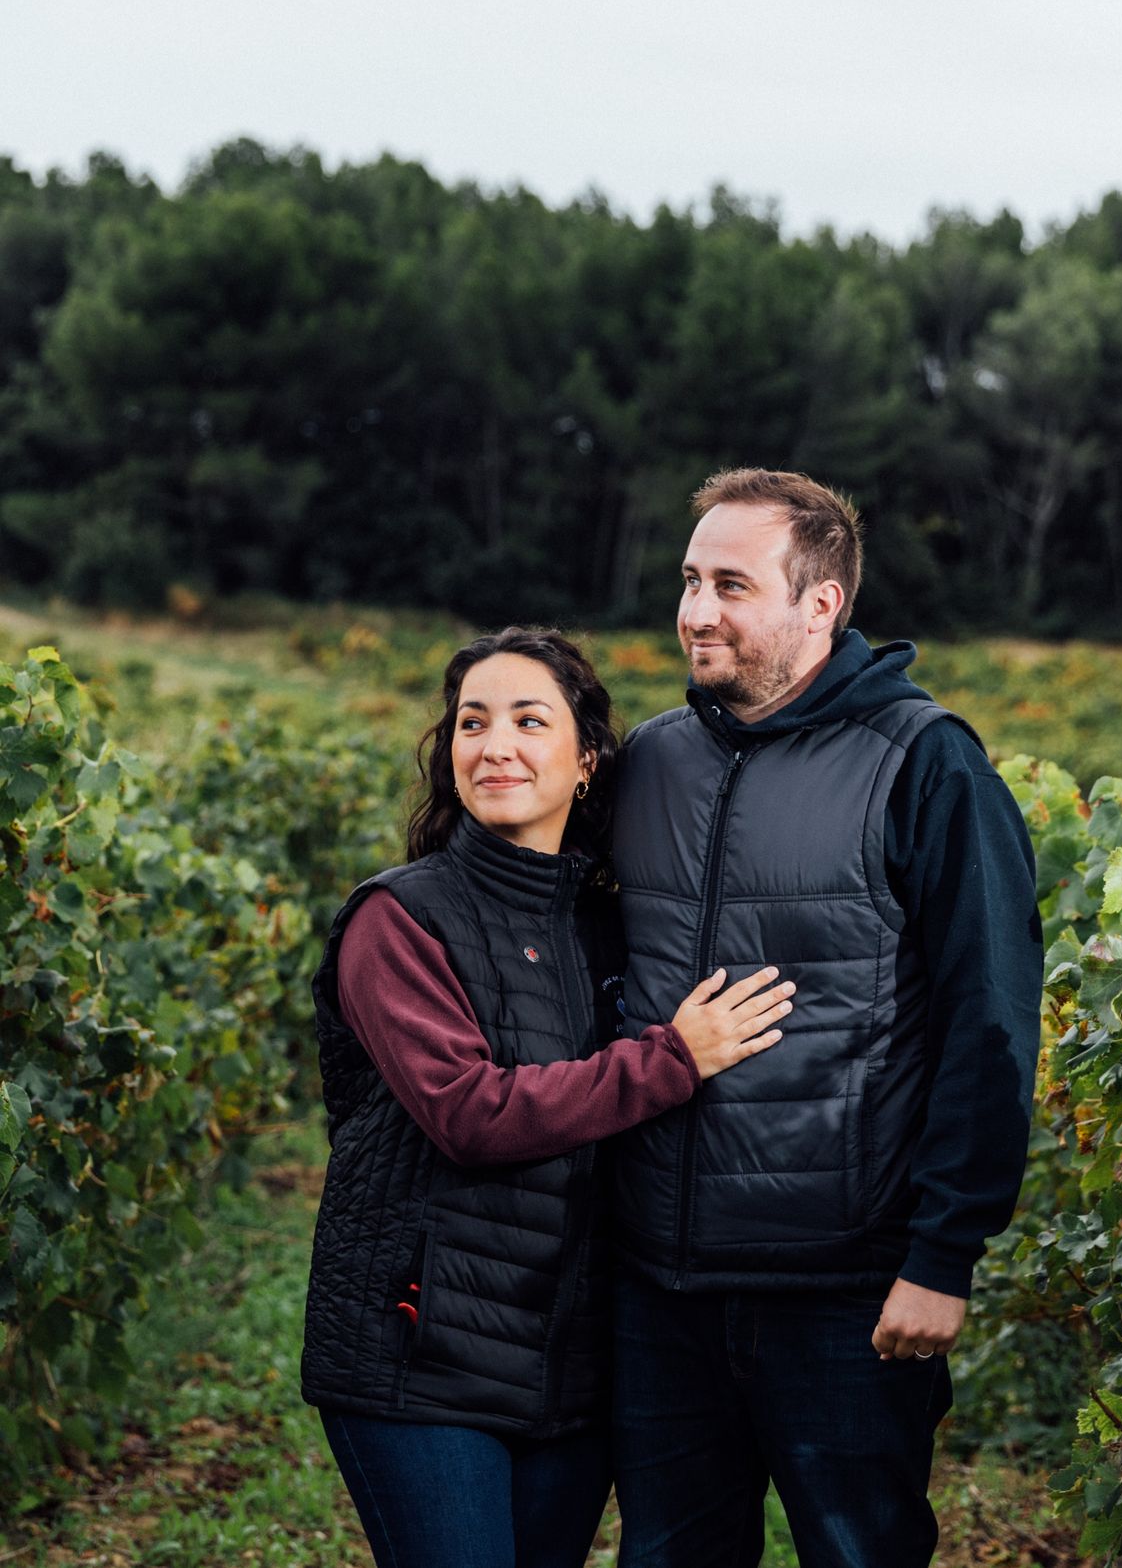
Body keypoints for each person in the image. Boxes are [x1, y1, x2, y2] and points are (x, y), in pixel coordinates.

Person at [609, 469, 1043, 1568]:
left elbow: (987, 1019)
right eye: (689, 580)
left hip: (843, 1293)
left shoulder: (926, 762)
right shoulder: (651, 758)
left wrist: (943, 1254)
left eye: (731, 586)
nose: (696, 611)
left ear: (821, 605)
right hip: (661, 1284)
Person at [300, 625, 794, 1568]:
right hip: (418, 1355)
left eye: (530, 721)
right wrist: (671, 1060)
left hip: (573, 1362)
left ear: (586, 761)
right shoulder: (396, 919)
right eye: (472, 724)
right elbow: (468, 1114)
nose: (495, 746)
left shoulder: (615, 926)